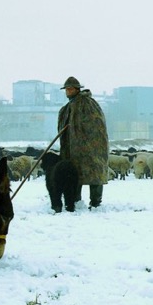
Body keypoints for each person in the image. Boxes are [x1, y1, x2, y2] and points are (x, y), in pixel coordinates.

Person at [57, 76, 109, 209]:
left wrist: (83, 134)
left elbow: (96, 124)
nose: (68, 92)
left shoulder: (88, 104)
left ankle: (96, 202)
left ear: (77, 89)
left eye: (70, 89)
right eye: (66, 89)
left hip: (90, 148)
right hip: (72, 149)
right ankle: (75, 201)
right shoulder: (67, 107)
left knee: (94, 171)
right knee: (73, 174)